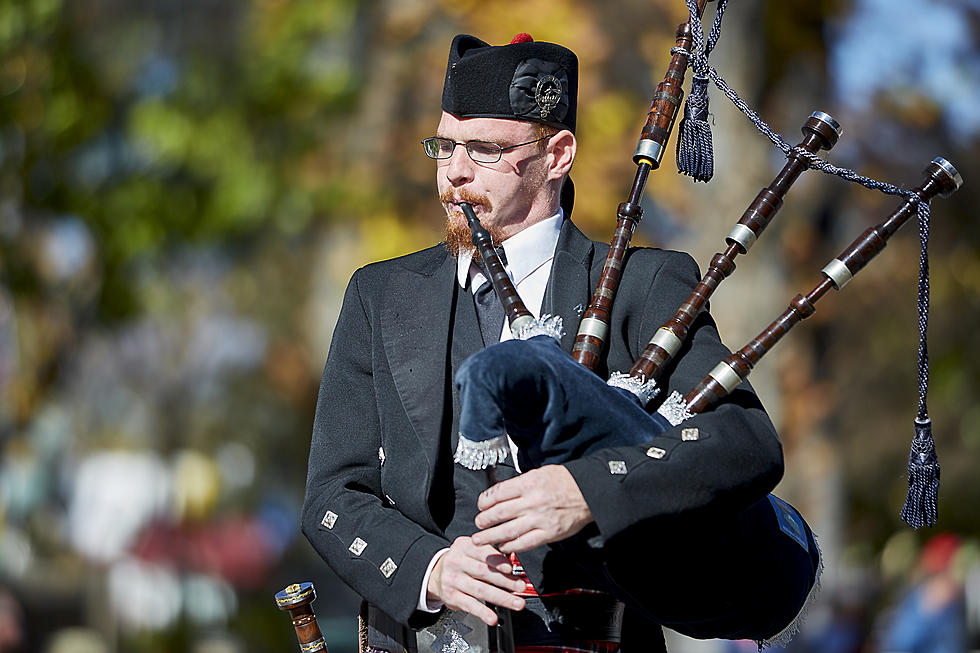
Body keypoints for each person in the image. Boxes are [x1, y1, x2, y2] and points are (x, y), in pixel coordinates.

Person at [303, 33, 786, 652]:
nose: (454, 173)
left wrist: (589, 491)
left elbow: (743, 443)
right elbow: (332, 493)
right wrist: (431, 568)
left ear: (557, 154)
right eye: (444, 146)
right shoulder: (380, 294)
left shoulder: (642, 284)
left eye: (484, 150)